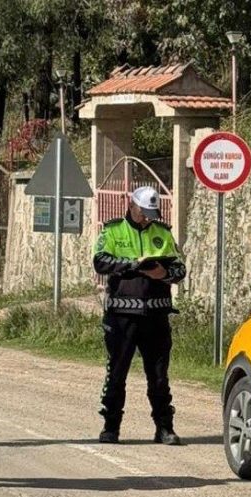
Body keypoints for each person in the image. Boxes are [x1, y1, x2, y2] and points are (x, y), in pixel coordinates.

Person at [93, 186, 187, 445]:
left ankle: (164, 427)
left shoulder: (163, 232)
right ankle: (111, 427)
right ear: (131, 205)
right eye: (143, 212)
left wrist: (163, 273)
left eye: (150, 213)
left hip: (156, 314)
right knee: (117, 373)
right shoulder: (112, 230)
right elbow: (100, 261)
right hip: (122, 315)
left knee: (159, 376)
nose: (147, 217)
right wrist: (132, 265)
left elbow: (180, 268)